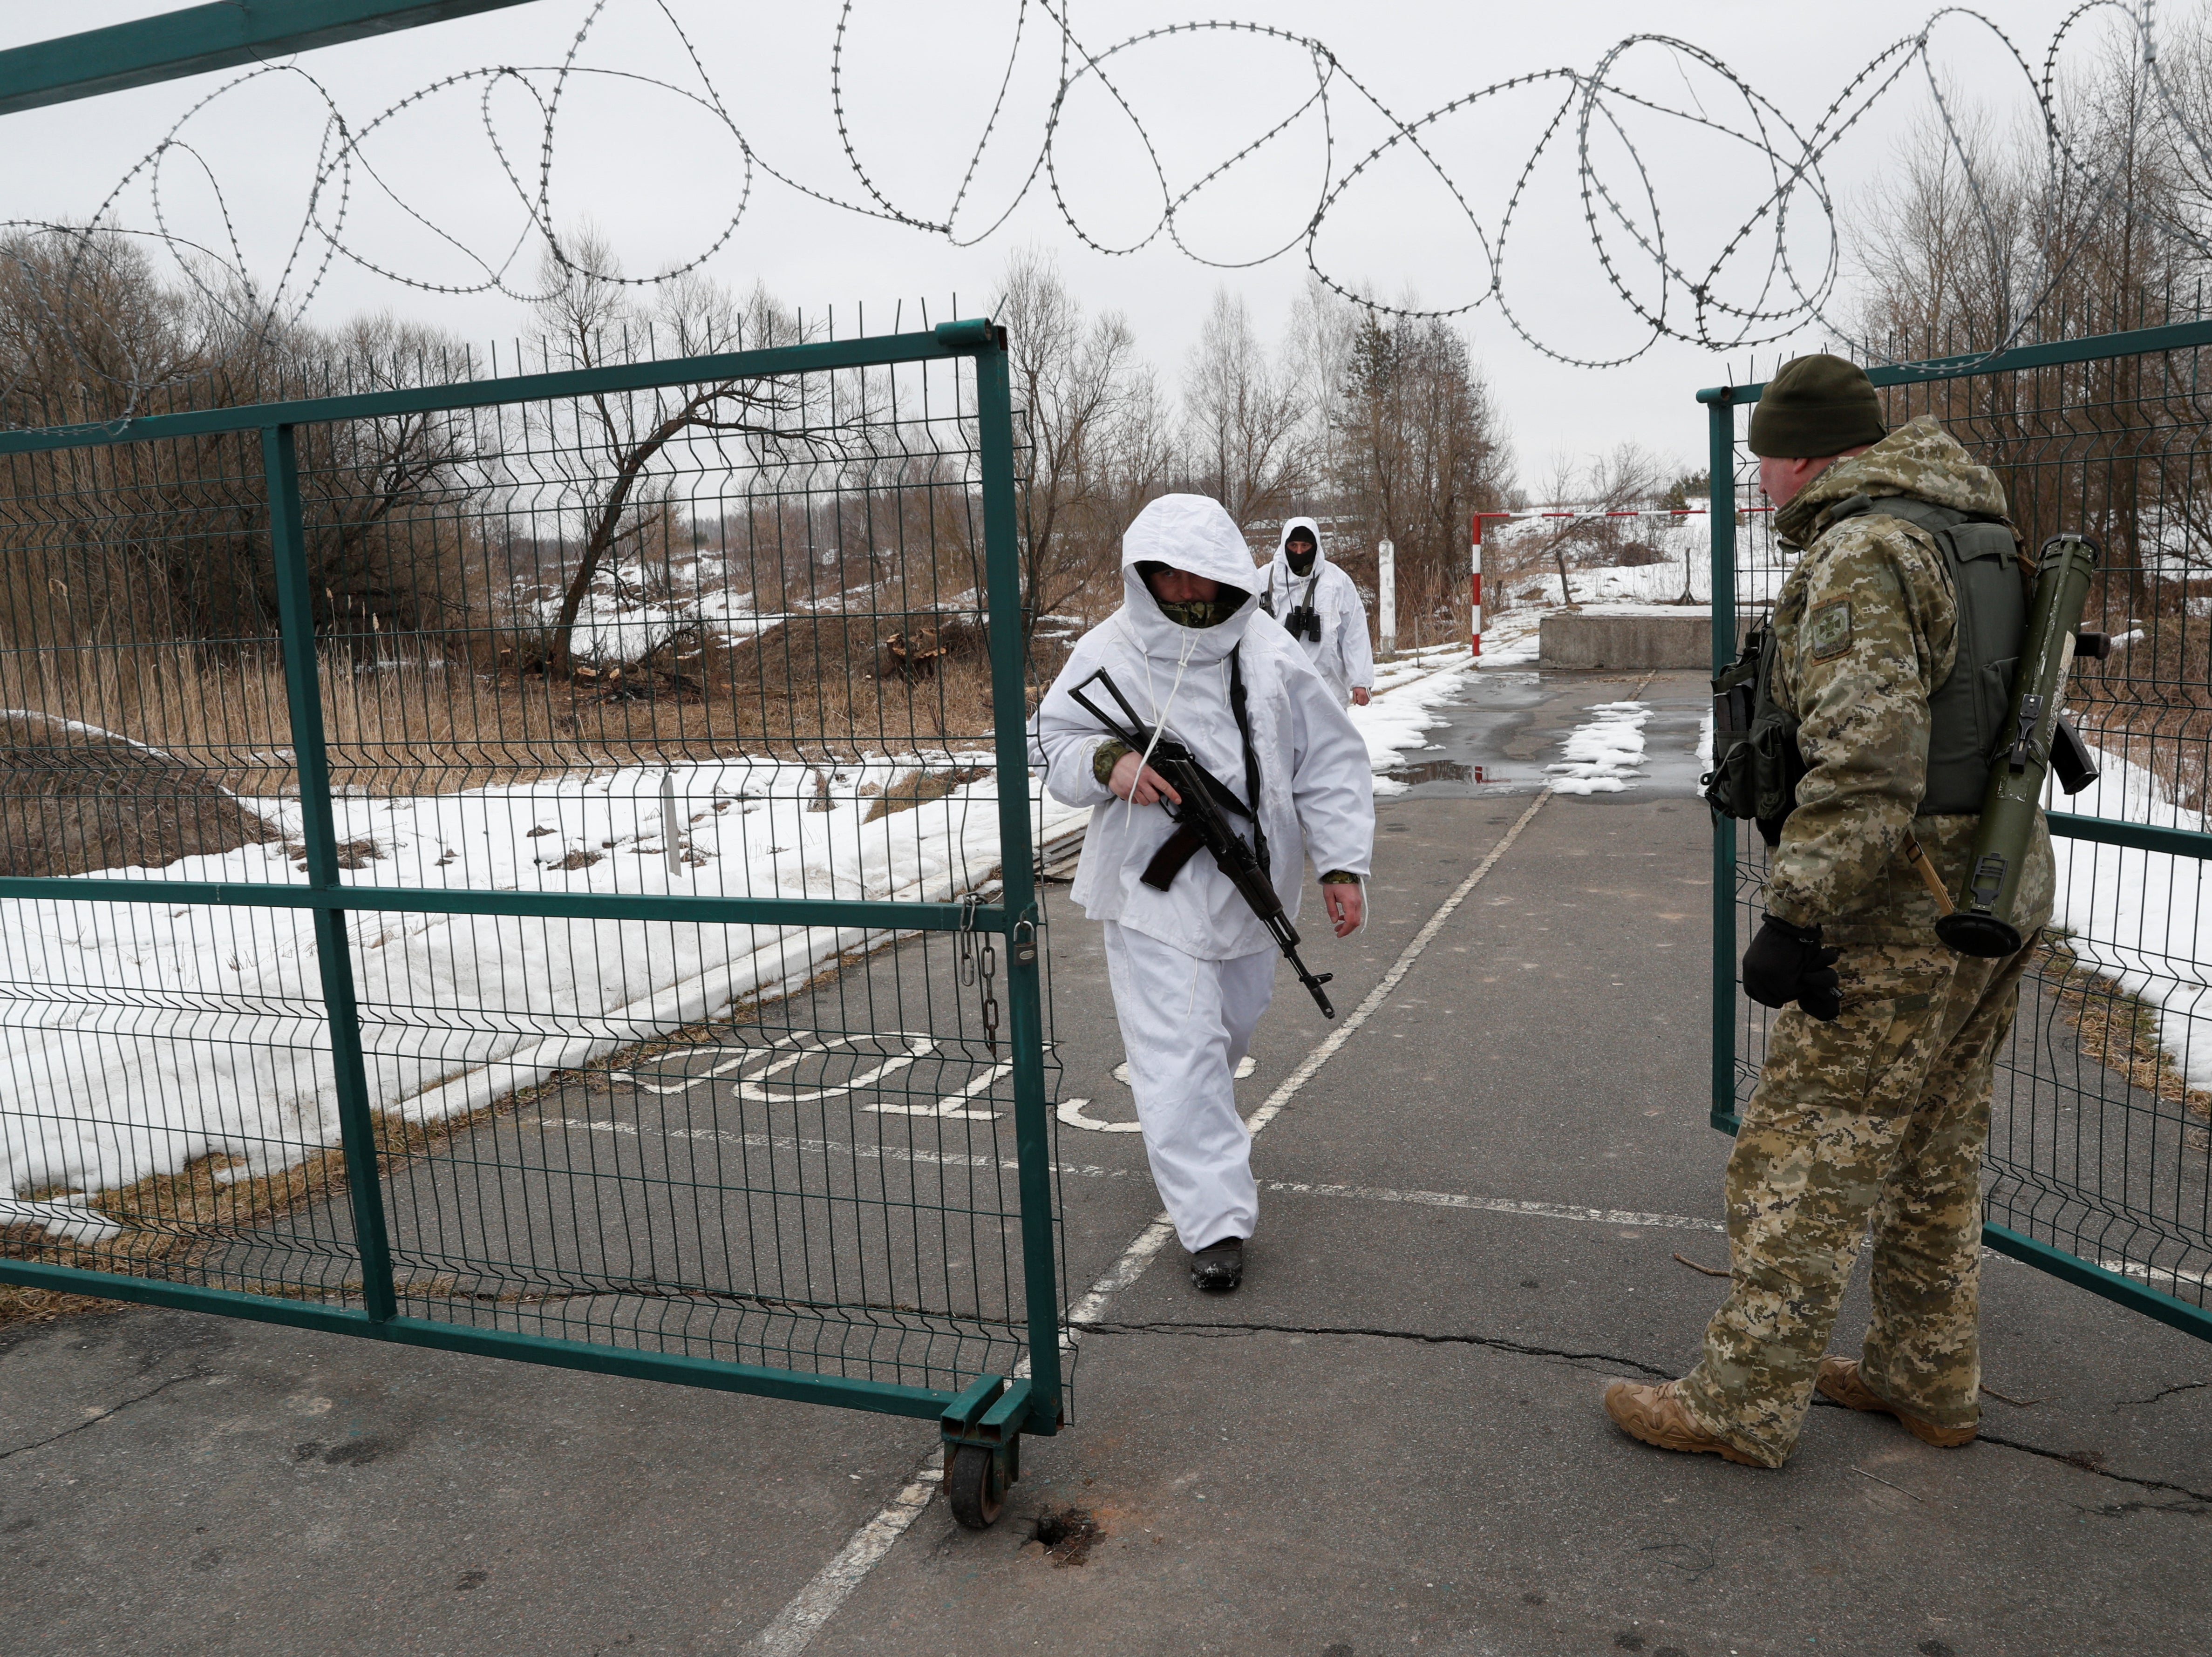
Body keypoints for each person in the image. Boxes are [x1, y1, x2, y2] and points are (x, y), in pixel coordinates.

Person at [1604, 354, 2055, 1469]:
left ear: (1803, 453)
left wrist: (1798, 914)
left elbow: (1866, 763)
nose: (1756, 477)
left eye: (1763, 455)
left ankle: (1742, 1401)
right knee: (1935, 1146)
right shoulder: (1971, 532)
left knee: (1802, 1147)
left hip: (1899, 904)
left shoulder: (1863, 552)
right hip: (1998, 884)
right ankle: (1926, 1375)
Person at [1034, 494, 1375, 1291]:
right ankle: (1214, 1220)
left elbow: (1327, 762)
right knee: (1178, 1053)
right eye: (1167, 577)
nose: (1185, 593)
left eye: (1200, 577)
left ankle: (1191, 1138)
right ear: (1141, 573)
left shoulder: (1270, 653)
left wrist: (1339, 865)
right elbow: (1049, 738)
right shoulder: (1107, 650)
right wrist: (1105, 765)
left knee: (1220, 1039)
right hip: (1150, 890)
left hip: (1255, 886)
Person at [1262, 516, 1375, 706]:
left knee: (1330, 735)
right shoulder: (1264, 578)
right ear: (1284, 545)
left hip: (1326, 682)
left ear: (1316, 545)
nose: (1299, 552)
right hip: (1276, 681)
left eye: (1306, 546)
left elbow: (1354, 632)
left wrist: (1361, 681)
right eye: (1293, 546)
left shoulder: (1336, 580)